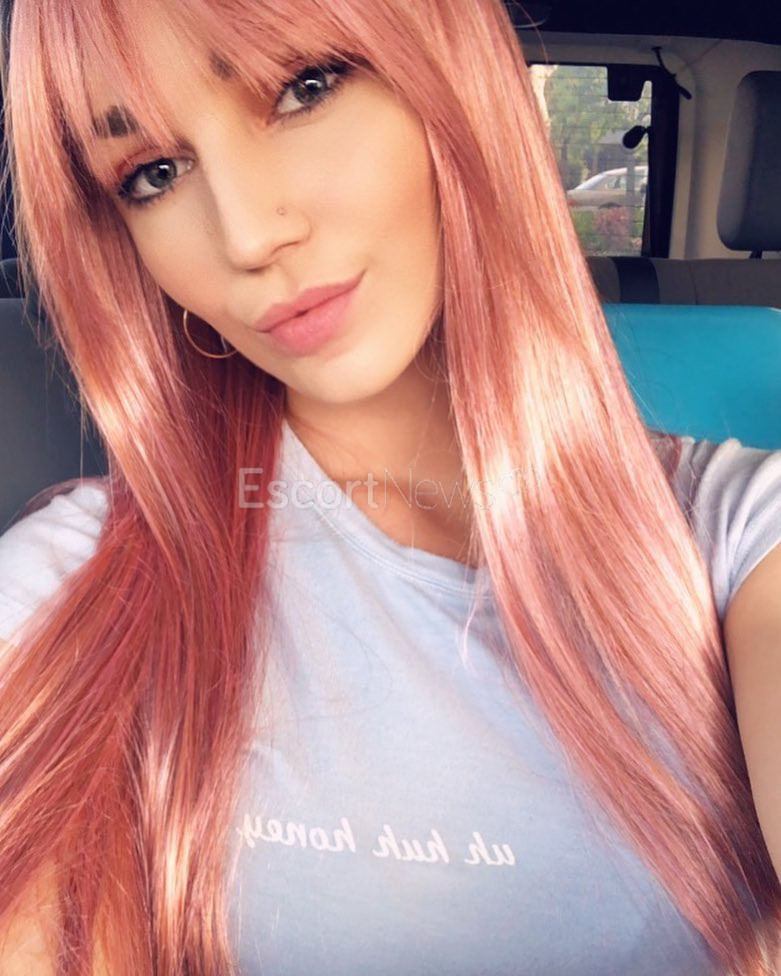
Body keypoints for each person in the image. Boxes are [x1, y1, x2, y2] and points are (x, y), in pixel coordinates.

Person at [0, 0, 780, 973]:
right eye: (152, 174)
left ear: (449, 77)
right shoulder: (80, 585)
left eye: (304, 89)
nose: (247, 235)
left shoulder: (737, 530)